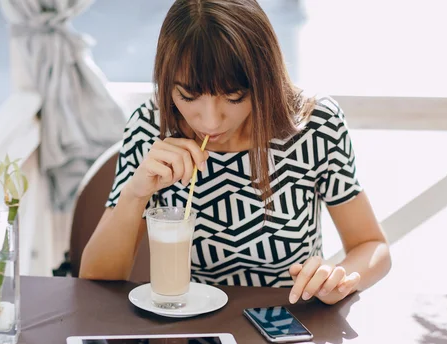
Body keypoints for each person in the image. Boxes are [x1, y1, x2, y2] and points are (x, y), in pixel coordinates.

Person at [80, 0, 391, 305]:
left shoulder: (315, 125)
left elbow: (371, 245)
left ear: (263, 79)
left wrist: (340, 277)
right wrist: (135, 194)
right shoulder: (151, 128)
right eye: (188, 95)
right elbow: (96, 279)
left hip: (290, 325)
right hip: (190, 332)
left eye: (233, 96)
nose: (211, 121)